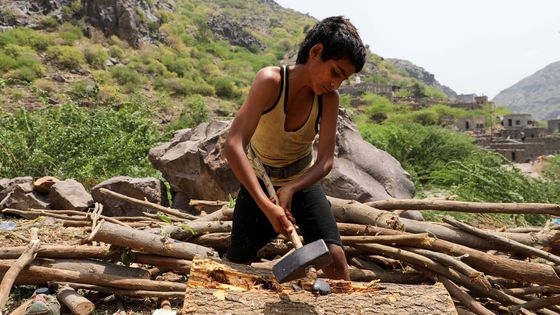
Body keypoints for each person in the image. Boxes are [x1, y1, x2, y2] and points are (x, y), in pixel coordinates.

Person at [223, 16, 366, 280]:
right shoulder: (270, 81)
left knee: (335, 261)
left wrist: (291, 188)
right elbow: (233, 145)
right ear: (315, 52)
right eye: (335, 72)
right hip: (260, 181)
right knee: (236, 265)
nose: (336, 84)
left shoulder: (328, 100)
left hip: (300, 182)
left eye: (343, 79)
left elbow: (324, 162)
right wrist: (267, 205)